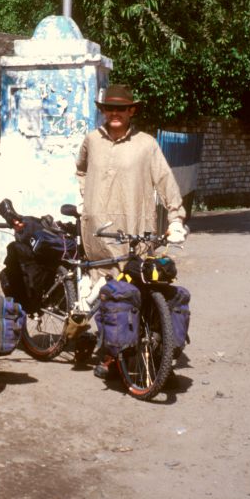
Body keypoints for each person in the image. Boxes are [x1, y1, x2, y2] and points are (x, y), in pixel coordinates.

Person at [75, 84, 188, 377]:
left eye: (121, 108)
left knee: (139, 290)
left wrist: (176, 218)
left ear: (131, 111)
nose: (115, 113)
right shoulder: (91, 140)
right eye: (109, 108)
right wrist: (84, 199)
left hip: (135, 231)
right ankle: (113, 355)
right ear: (103, 111)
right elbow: (82, 169)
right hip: (98, 232)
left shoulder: (146, 144)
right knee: (108, 294)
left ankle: (153, 355)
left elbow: (165, 180)